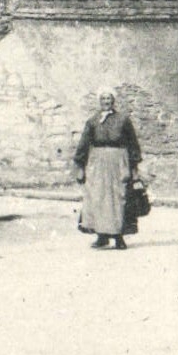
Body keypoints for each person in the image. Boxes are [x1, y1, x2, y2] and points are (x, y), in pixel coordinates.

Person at [73, 90, 142, 250]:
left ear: (113, 100)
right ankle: (101, 237)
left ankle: (119, 238)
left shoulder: (123, 120)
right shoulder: (92, 121)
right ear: (99, 101)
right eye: (103, 98)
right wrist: (81, 168)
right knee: (98, 198)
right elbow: (84, 144)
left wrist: (134, 168)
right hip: (97, 162)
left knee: (118, 198)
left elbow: (133, 144)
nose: (106, 101)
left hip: (118, 161)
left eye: (109, 98)